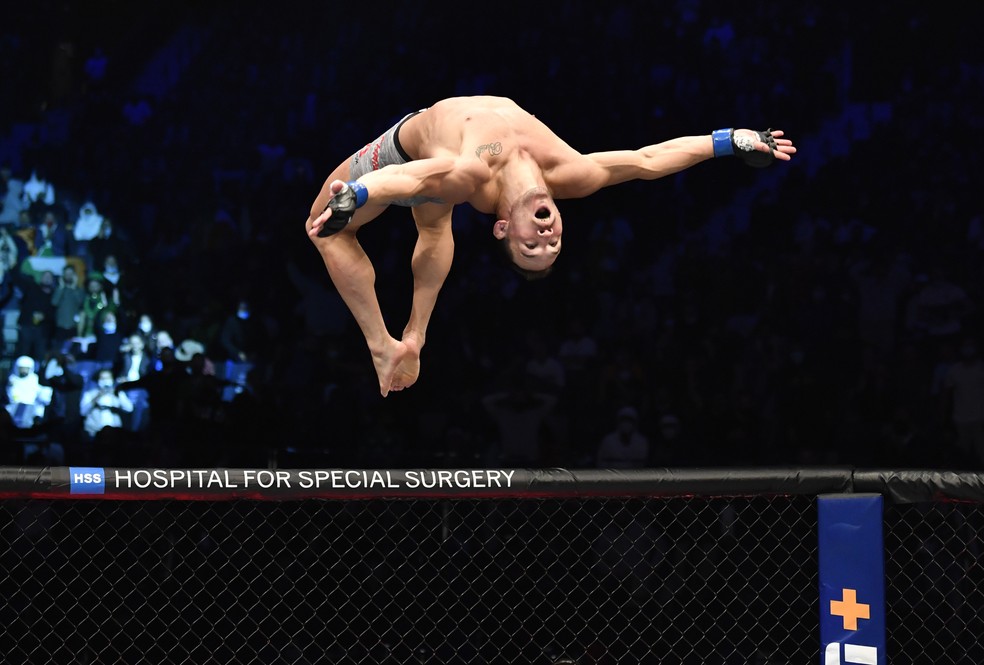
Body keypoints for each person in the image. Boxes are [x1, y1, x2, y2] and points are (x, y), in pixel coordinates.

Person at [304, 96, 796, 396]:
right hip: (431, 170)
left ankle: (381, 345)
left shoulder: (474, 172)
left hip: (408, 155)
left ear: (502, 229)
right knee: (433, 224)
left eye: (530, 247)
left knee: (327, 226)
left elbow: (411, 175)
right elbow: (650, 159)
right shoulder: (572, 175)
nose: (545, 238)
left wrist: (360, 194)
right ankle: (412, 339)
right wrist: (731, 139)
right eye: (552, 244)